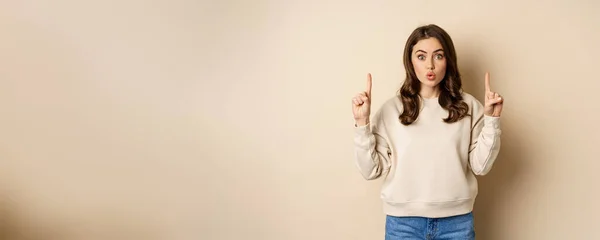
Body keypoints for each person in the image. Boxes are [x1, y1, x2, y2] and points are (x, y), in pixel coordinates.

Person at [351, 24, 503, 240]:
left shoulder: (468, 106)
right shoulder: (391, 110)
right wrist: (361, 122)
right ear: (410, 61)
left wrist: (492, 119)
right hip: (403, 224)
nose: (430, 65)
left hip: (457, 223)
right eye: (421, 56)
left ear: (448, 60)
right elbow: (370, 171)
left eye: (438, 56)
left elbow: (481, 166)